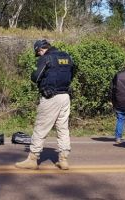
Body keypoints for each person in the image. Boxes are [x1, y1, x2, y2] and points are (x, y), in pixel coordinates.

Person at [15, 40, 75, 170]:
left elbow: (36, 77)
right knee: (63, 129)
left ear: (41, 49)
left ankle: (32, 159)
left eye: (39, 52)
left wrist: (35, 75)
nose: (39, 54)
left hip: (50, 97)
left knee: (41, 128)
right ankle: (63, 160)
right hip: (65, 96)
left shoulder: (46, 58)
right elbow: (72, 74)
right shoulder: (67, 56)